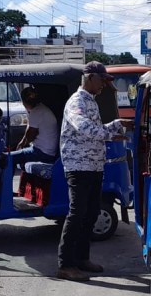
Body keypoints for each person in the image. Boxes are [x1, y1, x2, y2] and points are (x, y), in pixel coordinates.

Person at [56, 61, 133, 282]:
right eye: (102, 81)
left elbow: (97, 129)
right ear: (89, 78)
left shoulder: (91, 101)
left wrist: (119, 124)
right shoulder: (77, 102)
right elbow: (85, 128)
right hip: (79, 166)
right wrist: (110, 134)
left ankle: (81, 258)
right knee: (77, 213)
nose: (104, 86)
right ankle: (65, 264)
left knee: (90, 213)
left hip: (94, 164)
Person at [8, 87, 58, 172]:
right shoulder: (41, 109)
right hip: (49, 152)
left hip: (42, 153)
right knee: (16, 154)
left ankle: (5, 184)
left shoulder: (36, 112)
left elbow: (30, 136)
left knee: (8, 158)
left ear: (23, 101)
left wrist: (22, 145)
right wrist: (21, 143)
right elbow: (30, 129)